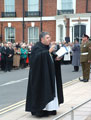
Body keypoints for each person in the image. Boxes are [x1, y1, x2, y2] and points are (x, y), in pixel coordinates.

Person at [25, 32, 64, 117]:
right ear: (42, 39)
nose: (49, 39)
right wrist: (47, 52)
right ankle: (41, 110)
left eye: (49, 37)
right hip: (40, 77)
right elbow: (34, 60)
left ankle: (51, 109)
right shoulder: (37, 47)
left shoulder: (46, 47)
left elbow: (50, 58)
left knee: (51, 90)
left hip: (49, 75)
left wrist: (56, 58)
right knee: (43, 91)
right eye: (47, 38)